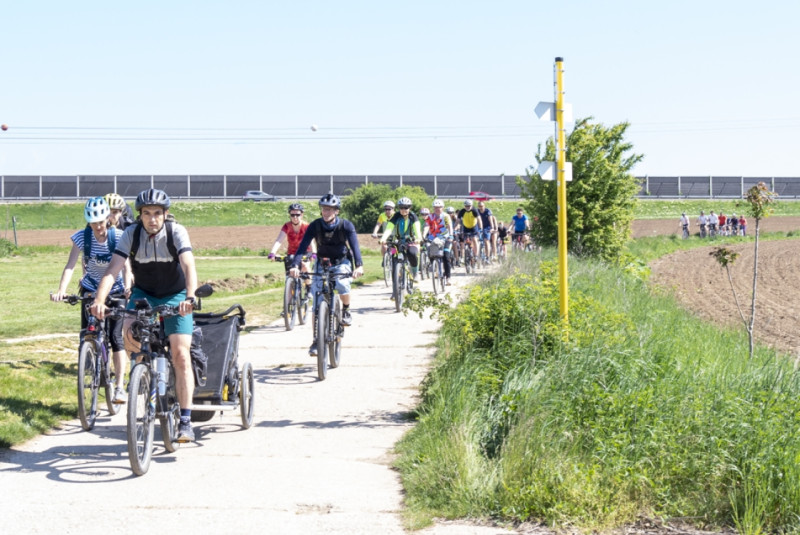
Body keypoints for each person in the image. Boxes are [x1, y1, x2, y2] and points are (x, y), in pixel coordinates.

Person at [90, 188, 200, 443]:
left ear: (165, 214)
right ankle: (141, 373)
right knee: (128, 332)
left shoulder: (176, 232)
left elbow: (188, 265)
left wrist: (190, 298)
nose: (152, 219)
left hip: (175, 294)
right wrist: (99, 300)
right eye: (147, 214)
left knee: (181, 354)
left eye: (157, 213)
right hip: (144, 293)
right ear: (139, 216)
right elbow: (112, 269)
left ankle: (185, 420)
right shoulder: (131, 234)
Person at [51, 197, 131, 404]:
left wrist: (129, 286)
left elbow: (126, 266)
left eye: (102, 221)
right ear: (88, 221)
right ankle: (90, 360)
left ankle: (120, 387)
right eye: (94, 222)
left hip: (115, 290)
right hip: (90, 287)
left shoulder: (119, 236)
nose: (98, 226)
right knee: (87, 333)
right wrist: (62, 290)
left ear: (107, 218)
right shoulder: (81, 237)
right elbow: (70, 265)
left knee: (116, 337)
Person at [288, 193, 364, 356]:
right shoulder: (315, 226)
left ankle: (345, 310)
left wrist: (359, 266)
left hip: (341, 262)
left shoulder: (346, 225)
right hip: (322, 263)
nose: (326, 212)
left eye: (329, 209)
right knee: (316, 304)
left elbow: (355, 247)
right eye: (324, 209)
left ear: (336, 211)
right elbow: (302, 248)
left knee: (343, 284)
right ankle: (316, 340)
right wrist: (295, 265)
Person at [268, 203, 315, 281]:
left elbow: (311, 241)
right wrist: (273, 252)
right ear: (289, 215)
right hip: (291, 253)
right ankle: (289, 291)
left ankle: (309, 288)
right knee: (289, 275)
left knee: (305, 266)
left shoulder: (306, 226)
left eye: (298, 214)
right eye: (292, 215)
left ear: (302, 215)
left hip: (305, 252)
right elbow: (279, 240)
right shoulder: (287, 226)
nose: (295, 217)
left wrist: (313, 253)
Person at [380, 196, 423, 281]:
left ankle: (415, 272)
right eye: (401, 207)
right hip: (398, 241)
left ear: (409, 207)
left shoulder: (413, 216)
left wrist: (418, 238)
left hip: (410, 241)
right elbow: (389, 228)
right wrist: (383, 238)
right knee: (393, 256)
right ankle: (395, 286)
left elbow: (417, 228)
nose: (403, 209)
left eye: (406, 207)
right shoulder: (396, 216)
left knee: (412, 253)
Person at [422, 199, 454, 285]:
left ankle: (448, 277)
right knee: (430, 252)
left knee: (446, 257)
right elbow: (426, 226)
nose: (437, 209)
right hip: (433, 238)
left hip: (445, 238)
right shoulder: (430, 217)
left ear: (442, 208)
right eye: (435, 207)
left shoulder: (446, 216)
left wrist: (451, 235)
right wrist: (423, 235)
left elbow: (449, 226)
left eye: (439, 207)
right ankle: (434, 267)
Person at [371, 200, 395, 265]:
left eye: (389, 209)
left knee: (395, 250)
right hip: (386, 236)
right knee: (384, 246)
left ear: (393, 209)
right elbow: (378, 224)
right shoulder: (382, 215)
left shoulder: (396, 216)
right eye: (385, 209)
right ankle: (385, 258)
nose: (387, 211)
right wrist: (375, 232)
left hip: (396, 236)